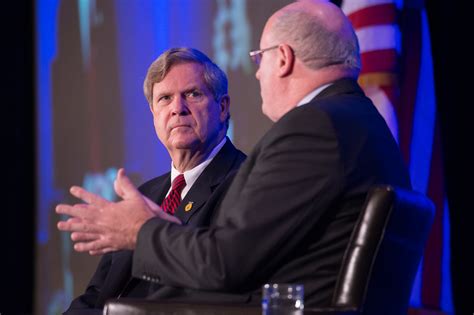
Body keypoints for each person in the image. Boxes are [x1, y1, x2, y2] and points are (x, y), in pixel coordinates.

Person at [57, 0, 411, 308]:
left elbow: (228, 263)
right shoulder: (357, 120)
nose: (257, 73)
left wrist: (141, 230)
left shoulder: (315, 127)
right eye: (164, 99)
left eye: (259, 59)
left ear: (283, 59)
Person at [57, 48, 246, 314]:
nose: (177, 109)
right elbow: (98, 295)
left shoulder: (245, 182)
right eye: (165, 99)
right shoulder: (144, 195)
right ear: (154, 115)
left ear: (223, 107)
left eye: (193, 94)